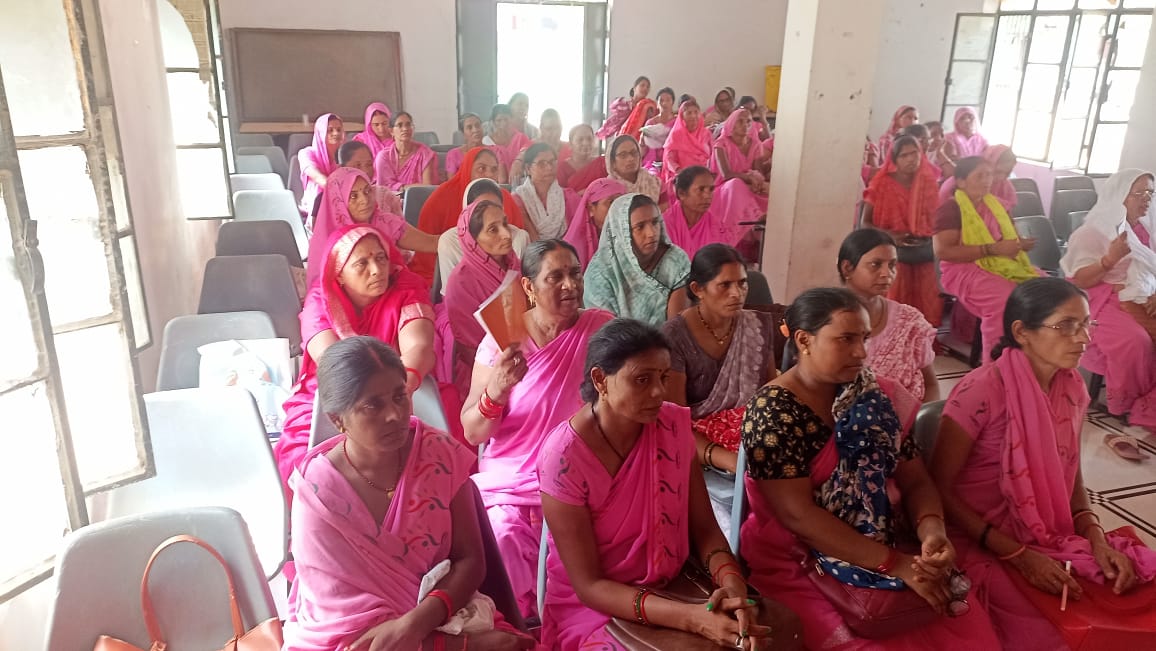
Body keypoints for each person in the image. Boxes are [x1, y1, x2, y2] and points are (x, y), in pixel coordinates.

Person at [741, 286, 1003, 650]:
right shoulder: (773, 411)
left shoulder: (874, 397)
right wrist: (894, 564)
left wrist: (932, 532)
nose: (861, 352)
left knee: (963, 624)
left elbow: (915, 480)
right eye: (846, 339)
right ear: (804, 340)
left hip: (883, 538)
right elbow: (797, 516)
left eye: (864, 338)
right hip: (800, 558)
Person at [931, 278, 1156, 650]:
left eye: (1086, 324)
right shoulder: (981, 391)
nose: (1083, 338)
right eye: (1066, 325)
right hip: (980, 538)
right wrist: (1019, 556)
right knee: (1055, 634)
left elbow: (1072, 475)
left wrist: (1096, 539)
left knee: (1135, 596)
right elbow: (938, 489)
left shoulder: (1072, 388)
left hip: (1049, 530)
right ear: (1022, 332)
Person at [283, 336, 534, 651]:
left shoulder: (439, 455)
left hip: (442, 615)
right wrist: (458, 646)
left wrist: (415, 625)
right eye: (373, 405)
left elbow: (470, 561)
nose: (393, 414)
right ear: (337, 420)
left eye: (399, 396)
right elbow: (344, 628)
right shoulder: (318, 493)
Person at [539, 318, 774, 650]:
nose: (658, 392)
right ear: (600, 380)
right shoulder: (563, 458)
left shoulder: (673, 426)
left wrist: (732, 584)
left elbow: (705, 529)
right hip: (597, 608)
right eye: (642, 379)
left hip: (675, 583)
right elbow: (589, 586)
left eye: (663, 377)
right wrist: (692, 619)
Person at [460, 239, 615, 618]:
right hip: (512, 481)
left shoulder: (601, 329)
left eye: (575, 274)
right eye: (555, 277)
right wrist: (497, 390)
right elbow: (473, 432)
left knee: (598, 545)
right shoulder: (500, 342)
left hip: (580, 478)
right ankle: (518, 625)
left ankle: (572, 628)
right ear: (528, 287)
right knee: (503, 538)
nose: (570, 285)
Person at [276, 225, 435, 497]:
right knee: (300, 457)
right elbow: (332, 362)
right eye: (362, 263)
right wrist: (366, 409)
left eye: (381, 258)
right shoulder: (321, 299)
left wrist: (397, 395)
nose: (377, 270)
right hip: (335, 391)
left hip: (402, 386)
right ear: (338, 273)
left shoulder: (406, 288)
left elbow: (419, 347)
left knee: (430, 455)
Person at [662, 244, 779, 529]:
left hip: (751, 441)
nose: (737, 293)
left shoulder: (757, 327)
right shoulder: (674, 337)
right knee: (729, 519)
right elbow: (674, 424)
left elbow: (769, 398)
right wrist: (727, 459)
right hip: (696, 451)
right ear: (698, 289)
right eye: (725, 285)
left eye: (742, 283)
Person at [1061, 169, 1156, 432]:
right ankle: (1129, 402)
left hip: (1141, 294)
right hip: (1100, 298)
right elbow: (1079, 280)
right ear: (1119, 195)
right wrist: (1109, 260)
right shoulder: (1092, 232)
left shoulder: (1146, 228)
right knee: (1135, 340)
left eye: (1150, 193)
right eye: (1138, 193)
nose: (1146, 199)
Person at [933, 156, 1041, 362]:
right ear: (961, 182)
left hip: (1001, 263)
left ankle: (1029, 358)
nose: (987, 180)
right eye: (980, 176)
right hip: (962, 269)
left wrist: (1019, 244)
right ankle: (995, 364)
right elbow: (944, 251)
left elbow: (1010, 238)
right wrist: (992, 249)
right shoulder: (951, 209)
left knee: (1046, 290)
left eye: (989, 175)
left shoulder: (998, 206)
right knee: (1005, 300)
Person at [838, 229, 940, 403]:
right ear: (847, 268)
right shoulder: (827, 320)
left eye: (892, 265)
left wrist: (922, 417)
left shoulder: (909, 321)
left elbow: (930, 385)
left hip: (908, 417)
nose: (887, 273)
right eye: (875, 264)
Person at [414, 147, 530, 283]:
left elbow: (516, 242)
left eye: (494, 170)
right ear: (468, 169)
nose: (489, 175)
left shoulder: (505, 200)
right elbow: (426, 258)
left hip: (506, 279)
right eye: (481, 169)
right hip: (456, 272)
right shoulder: (441, 199)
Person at [306, 167, 438, 287]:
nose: (364, 200)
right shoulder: (328, 238)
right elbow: (324, 287)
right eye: (353, 196)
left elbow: (431, 243)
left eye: (367, 191)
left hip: (388, 295)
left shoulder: (386, 222)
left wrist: (451, 237)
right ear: (338, 201)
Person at [862, 135, 944, 326]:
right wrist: (889, 235)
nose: (910, 159)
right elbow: (865, 223)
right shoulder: (881, 184)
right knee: (896, 296)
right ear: (894, 160)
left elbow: (937, 221)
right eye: (904, 155)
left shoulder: (928, 183)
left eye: (914, 153)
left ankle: (922, 338)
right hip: (891, 250)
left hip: (923, 250)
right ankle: (895, 338)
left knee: (929, 297)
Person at [442, 199, 519, 400]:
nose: (506, 234)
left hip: (526, 357)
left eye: (505, 224)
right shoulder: (460, 284)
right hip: (484, 372)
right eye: (493, 229)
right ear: (472, 240)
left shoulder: (516, 265)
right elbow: (469, 350)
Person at [584, 193, 691, 326]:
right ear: (622, 232)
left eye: (655, 222)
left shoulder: (675, 260)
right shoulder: (600, 273)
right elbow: (605, 331)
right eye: (640, 227)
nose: (651, 233)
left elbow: (676, 328)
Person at [436, 178, 534, 296]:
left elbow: (524, 293)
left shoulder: (519, 238)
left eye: (496, 207)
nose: (506, 235)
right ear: (467, 213)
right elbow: (450, 296)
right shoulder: (449, 241)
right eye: (481, 208)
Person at [664, 166, 761, 262]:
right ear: (682, 193)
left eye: (711, 190)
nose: (708, 196)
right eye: (701, 189)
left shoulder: (715, 227)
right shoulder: (665, 225)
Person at [512, 143, 581, 240]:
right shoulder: (518, 199)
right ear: (528, 168)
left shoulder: (569, 197)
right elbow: (529, 238)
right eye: (541, 164)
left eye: (552, 162)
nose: (549, 168)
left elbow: (578, 234)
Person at [562, 177, 627, 270]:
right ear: (591, 208)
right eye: (611, 202)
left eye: (621, 202)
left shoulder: (627, 233)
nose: (617, 208)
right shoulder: (572, 248)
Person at [710, 108, 770, 195]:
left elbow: (758, 171)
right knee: (736, 184)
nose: (745, 125)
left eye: (748, 121)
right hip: (726, 187)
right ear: (732, 124)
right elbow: (726, 175)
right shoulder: (721, 144)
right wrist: (748, 177)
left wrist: (756, 181)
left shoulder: (756, 144)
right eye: (740, 121)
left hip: (749, 185)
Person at [373, 111, 438, 192]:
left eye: (408, 125)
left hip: (419, 198)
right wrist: (407, 188)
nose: (405, 129)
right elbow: (384, 188)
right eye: (400, 125)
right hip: (389, 199)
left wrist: (400, 187)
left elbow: (427, 187)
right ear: (391, 131)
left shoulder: (425, 154)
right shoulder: (383, 156)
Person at [939, 145, 1017, 210]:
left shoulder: (1005, 186)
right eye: (997, 172)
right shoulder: (952, 186)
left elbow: (1007, 215)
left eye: (1007, 173)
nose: (1001, 177)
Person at [337, 140, 403, 216]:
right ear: (341, 169)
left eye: (369, 164)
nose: (366, 171)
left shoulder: (385, 196)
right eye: (358, 165)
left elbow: (400, 222)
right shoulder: (335, 199)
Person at [298, 113, 344, 216]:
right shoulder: (306, 153)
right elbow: (318, 178)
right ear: (320, 133)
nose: (336, 133)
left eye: (339, 130)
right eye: (330, 130)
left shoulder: (344, 154)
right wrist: (341, 193)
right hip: (316, 205)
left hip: (342, 200)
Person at [662, 100, 711, 186]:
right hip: (683, 177)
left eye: (696, 112)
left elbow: (713, 157)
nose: (693, 116)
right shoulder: (676, 135)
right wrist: (680, 172)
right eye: (689, 113)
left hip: (705, 175)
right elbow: (669, 159)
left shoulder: (706, 134)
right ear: (682, 116)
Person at [605, 134, 661, 203]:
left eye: (634, 153)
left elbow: (665, 206)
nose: (630, 159)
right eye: (623, 155)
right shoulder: (607, 190)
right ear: (612, 162)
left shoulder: (653, 182)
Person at [485, 104, 533, 183]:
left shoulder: (521, 138)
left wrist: (518, 161)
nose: (503, 123)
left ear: (512, 119)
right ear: (493, 122)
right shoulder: (487, 142)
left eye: (506, 119)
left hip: (521, 185)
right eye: (499, 120)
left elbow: (529, 152)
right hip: (495, 185)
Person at [597, 75, 651, 140]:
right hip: (622, 139)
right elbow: (613, 121)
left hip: (638, 141)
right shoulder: (623, 105)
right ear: (634, 88)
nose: (645, 88)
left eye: (647, 87)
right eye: (642, 85)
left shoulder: (648, 107)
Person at [555, 124, 606, 192]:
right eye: (580, 140)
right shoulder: (563, 168)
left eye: (589, 139)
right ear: (570, 144)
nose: (586, 143)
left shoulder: (601, 164)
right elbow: (560, 194)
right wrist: (579, 195)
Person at [640, 86, 677, 171]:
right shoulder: (650, 123)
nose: (664, 103)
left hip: (673, 162)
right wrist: (642, 142)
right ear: (657, 104)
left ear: (672, 103)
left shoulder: (677, 122)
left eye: (668, 100)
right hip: (652, 163)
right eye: (661, 100)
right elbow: (643, 149)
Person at [446, 113, 485, 177]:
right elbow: (452, 181)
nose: (475, 130)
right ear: (463, 133)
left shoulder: (494, 151)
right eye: (469, 127)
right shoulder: (454, 154)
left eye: (478, 125)